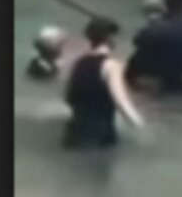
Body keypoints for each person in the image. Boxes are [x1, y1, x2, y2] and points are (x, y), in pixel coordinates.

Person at [62, 17, 144, 150]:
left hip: (73, 132)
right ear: (110, 38)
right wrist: (142, 128)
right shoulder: (112, 66)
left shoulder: (79, 63)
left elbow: (69, 98)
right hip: (100, 133)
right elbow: (121, 101)